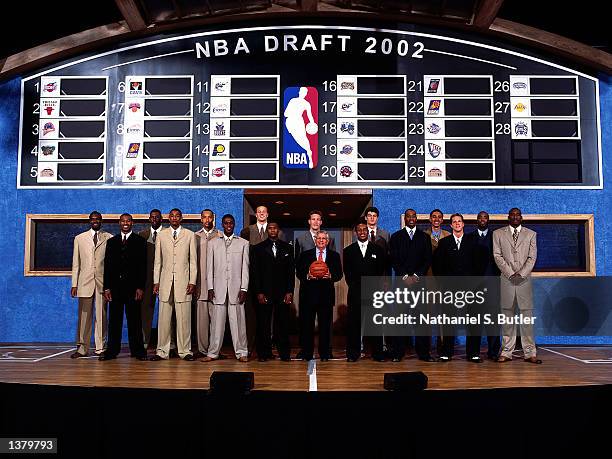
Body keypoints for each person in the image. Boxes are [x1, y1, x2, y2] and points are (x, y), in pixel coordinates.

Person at [493, 208, 541, 364]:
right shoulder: (498, 233)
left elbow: (532, 257)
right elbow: (497, 255)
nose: (515, 217)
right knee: (507, 319)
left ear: (521, 217)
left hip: (524, 281)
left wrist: (521, 274)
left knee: (526, 319)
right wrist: (510, 273)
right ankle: (507, 352)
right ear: (508, 217)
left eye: (517, 215)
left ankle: (530, 352)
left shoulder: (531, 234)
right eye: (512, 215)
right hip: (507, 280)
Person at [149, 208, 197, 361]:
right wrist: (156, 281)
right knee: (163, 319)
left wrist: (192, 281)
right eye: (172, 216)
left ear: (181, 218)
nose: (174, 218)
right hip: (164, 282)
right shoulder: (161, 235)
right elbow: (158, 261)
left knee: (184, 319)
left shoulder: (190, 235)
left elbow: (193, 262)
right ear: (168, 218)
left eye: (177, 216)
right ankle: (162, 351)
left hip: (183, 283)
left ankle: (185, 351)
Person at [100, 213, 147, 361]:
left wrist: (140, 287)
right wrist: (107, 288)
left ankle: (138, 351)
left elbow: (143, 266)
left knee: (135, 321)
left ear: (132, 223)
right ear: (119, 223)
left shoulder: (140, 241)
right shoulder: (112, 241)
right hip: (115, 288)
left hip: (133, 288)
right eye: (123, 221)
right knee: (114, 321)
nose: (125, 223)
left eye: (128, 221)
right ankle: (112, 351)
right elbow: (107, 266)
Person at [389, 209, 434, 362]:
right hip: (401, 285)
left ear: (417, 218)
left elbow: (427, 259)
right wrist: (404, 276)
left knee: (421, 320)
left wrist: (415, 276)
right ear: (405, 219)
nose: (411, 218)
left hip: (419, 283)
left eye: (413, 216)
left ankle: (424, 353)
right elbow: (393, 260)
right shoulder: (396, 237)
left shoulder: (424, 237)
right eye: (408, 216)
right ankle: (398, 353)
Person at [433, 213, 479, 362]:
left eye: (460, 221)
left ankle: (473, 353)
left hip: (470, 289)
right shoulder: (445, 242)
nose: (457, 224)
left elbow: (478, 264)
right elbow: (437, 265)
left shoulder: (473, 241)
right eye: (454, 222)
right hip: (450, 289)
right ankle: (446, 352)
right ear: (451, 225)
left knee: (473, 321)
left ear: (463, 224)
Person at [204, 214, 250, 362]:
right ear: (222, 225)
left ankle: (242, 352)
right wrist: (210, 288)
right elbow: (209, 268)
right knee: (216, 324)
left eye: (231, 223)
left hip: (236, 290)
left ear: (234, 224)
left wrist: (244, 289)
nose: (228, 225)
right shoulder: (213, 243)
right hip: (218, 289)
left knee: (238, 323)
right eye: (226, 223)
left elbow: (245, 268)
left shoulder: (243, 243)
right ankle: (212, 353)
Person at [294, 210, 336, 359]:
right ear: (316, 239)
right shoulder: (305, 254)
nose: (321, 240)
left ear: (327, 240)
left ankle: (325, 352)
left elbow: (339, 273)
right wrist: (307, 275)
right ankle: (307, 352)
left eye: (324, 238)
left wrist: (331, 275)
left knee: (325, 326)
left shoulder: (333, 255)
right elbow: (298, 271)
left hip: (326, 293)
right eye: (319, 238)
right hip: (308, 293)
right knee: (307, 325)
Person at [343, 219, 387, 362]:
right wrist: (356, 287)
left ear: (368, 232)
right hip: (355, 292)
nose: (362, 232)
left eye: (364, 230)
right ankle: (353, 354)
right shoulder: (348, 251)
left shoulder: (378, 250)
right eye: (359, 230)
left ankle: (378, 354)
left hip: (374, 291)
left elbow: (381, 270)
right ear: (356, 233)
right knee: (354, 324)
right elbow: (347, 273)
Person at [250, 223, 295, 362]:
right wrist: (259, 292)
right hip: (265, 292)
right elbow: (255, 273)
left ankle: (284, 354)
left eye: (275, 228)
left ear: (278, 230)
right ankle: (264, 354)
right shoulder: (258, 248)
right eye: (270, 228)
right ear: (267, 230)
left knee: (283, 324)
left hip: (283, 292)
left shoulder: (288, 248)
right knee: (263, 324)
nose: (273, 230)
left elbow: (290, 272)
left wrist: (289, 291)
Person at [70, 211, 111, 358]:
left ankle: (101, 348)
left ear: (101, 221)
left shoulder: (108, 237)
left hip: (102, 283)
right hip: (84, 282)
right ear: (89, 221)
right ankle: (82, 348)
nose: (95, 221)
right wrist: (74, 284)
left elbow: (110, 264)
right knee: (84, 316)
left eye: (98, 219)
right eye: (93, 219)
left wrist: (109, 285)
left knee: (101, 316)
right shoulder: (80, 238)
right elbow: (76, 264)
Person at [466, 211, 501, 360]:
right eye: (480, 218)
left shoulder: (496, 237)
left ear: (488, 220)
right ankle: (473, 353)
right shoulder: (469, 238)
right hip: (474, 286)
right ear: (476, 220)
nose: (482, 220)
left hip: (492, 283)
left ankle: (493, 352)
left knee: (492, 320)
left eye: (485, 217)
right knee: (474, 320)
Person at [193, 209, 221, 359]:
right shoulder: (195, 237)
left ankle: (215, 350)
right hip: (201, 285)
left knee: (217, 320)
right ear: (201, 219)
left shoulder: (221, 236)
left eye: (210, 217)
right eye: (204, 217)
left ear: (213, 219)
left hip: (217, 286)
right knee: (202, 322)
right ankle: (203, 349)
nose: (207, 220)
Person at [138, 209, 163, 350]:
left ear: (161, 219)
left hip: (165, 277)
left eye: (157, 217)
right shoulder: (142, 235)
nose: (154, 219)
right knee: (146, 311)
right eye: (152, 217)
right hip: (147, 280)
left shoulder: (167, 234)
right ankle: (144, 342)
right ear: (149, 219)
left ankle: (168, 343)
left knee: (167, 312)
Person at [284, 86, 317, 168]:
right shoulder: (292, 100)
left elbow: (310, 115)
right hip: (290, 122)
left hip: (299, 121)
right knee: (295, 139)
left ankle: (310, 158)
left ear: (306, 94)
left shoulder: (306, 103)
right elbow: (285, 113)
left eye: (305, 92)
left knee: (304, 139)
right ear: (299, 92)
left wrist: (312, 124)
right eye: (302, 92)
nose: (303, 94)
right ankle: (307, 152)